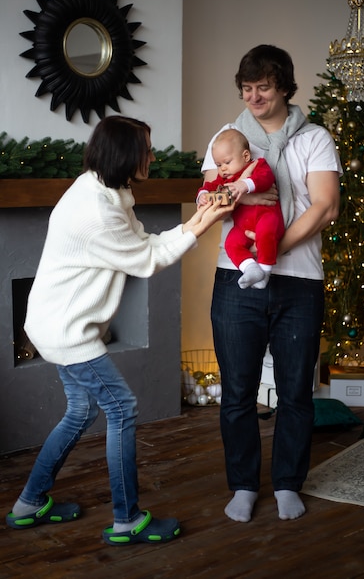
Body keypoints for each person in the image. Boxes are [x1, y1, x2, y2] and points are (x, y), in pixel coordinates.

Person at [5, 115, 234, 546]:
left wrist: (201, 219)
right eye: (146, 149)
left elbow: (145, 245)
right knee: (123, 409)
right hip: (67, 330)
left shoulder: (107, 191)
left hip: (54, 322)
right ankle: (127, 519)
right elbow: (146, 261)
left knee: (81, 411)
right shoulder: (96, 209)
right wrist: (203, 223)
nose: (151, 155)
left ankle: (29, 504)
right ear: (126, 153)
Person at [202, 45, 342, 523]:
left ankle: (287, 483)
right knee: (237, 391)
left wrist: (270, 252)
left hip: (298, 280)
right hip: (236, 279)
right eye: (246, 88)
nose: (254, 95)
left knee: (296, 390)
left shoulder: (315, 139)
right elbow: (213, 199)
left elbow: (324, 207)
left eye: (263, 86)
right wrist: (240, 204)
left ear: (283, 86)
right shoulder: (226, 139)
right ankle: (242, 485)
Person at [197, 128, 285, 289]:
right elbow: (210, 186)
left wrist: (243, 185)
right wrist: (202, 195)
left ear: (245, 156)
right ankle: (250, 268)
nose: (223, 169)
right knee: (231, 243)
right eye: (218, 165)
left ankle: (265, 272)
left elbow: (265, 179)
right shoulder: (223, 179)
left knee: (266, 231)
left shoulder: (258, 165)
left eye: (227, 162)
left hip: (266, 217)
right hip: (242, 227)